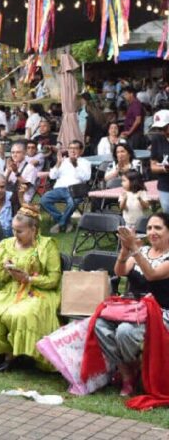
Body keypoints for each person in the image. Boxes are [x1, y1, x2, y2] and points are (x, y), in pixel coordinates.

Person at [0, 204, 61, 372]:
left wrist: (29, 278)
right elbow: (1, 280)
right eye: (13, 230)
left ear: (34, 229)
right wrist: (4, 268)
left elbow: (53, 280)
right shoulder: (6, 245)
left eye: (20, 231)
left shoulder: (47, 246)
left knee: (18, 314)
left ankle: (15, 355)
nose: (15, 235)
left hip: (39, 293)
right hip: (11, 290)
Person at [88, 214, 169, 397]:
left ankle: (133, 371)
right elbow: (120, 271)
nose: (152, 232)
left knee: (125, 332)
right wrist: (125, 250)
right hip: (132, 309)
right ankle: (127, 374)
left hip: (160, 313)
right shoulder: (144, 250)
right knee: (100, 325)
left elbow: (151, 274)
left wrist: (134, 249)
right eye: (149, 228)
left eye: (158, 228)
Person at [40, 140, 91, 234]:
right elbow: (52, 176)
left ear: (81, 150)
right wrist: (58, 163)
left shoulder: (85, 163)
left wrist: (75, 165)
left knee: (73, 202)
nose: (72, 150)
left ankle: (60, 224)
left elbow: (86, 178)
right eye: (70, 148)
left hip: (75, 190)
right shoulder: (62, 161)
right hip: (59, 189)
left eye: (75, 148)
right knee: (44, 200)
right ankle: (66, 221)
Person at [149, 110, 169, 213]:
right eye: (158, 128)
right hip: (165, 185)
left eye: (163, 128)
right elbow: (152, 166)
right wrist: (164, 169)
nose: (161, 131)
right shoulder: (157, 139)